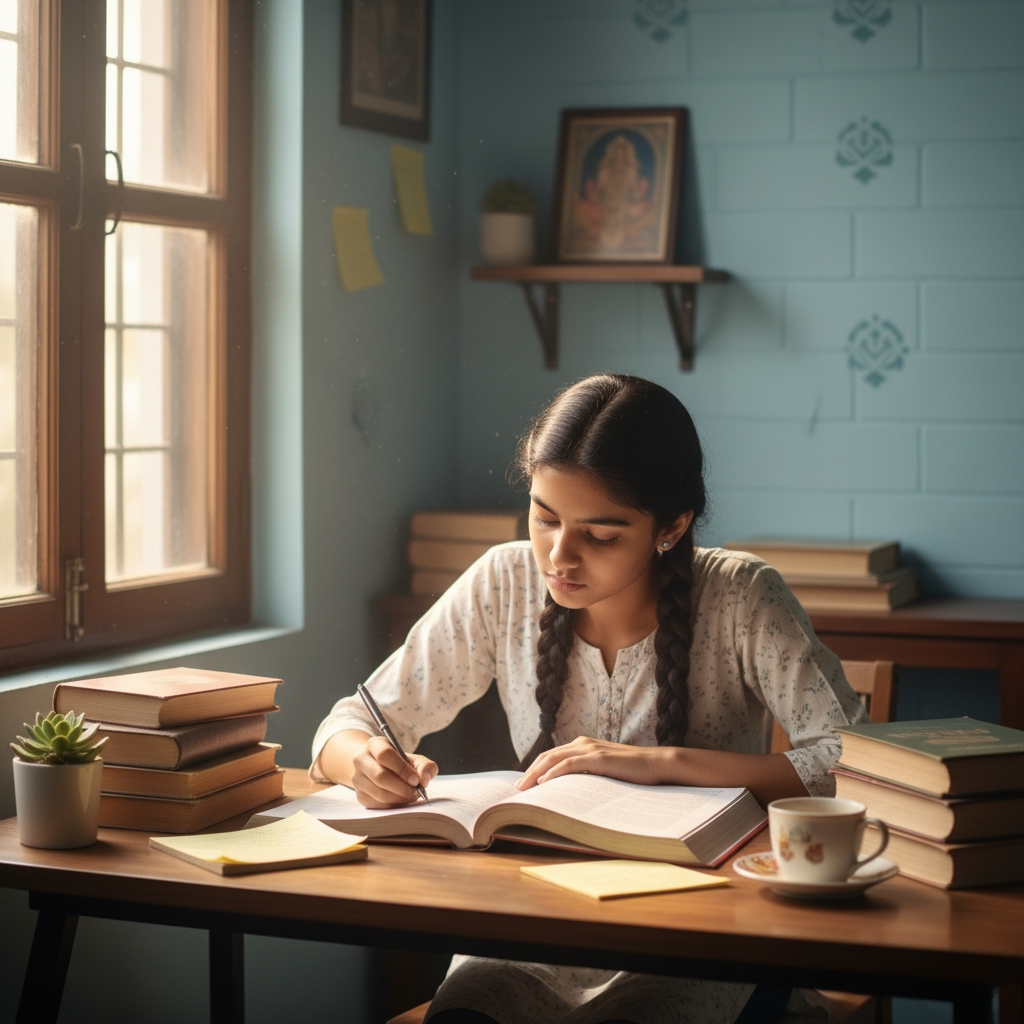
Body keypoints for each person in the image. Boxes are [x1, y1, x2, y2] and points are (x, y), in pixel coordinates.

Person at [311, 374, 868, 1024]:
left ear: (672, 525)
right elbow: (344, 724)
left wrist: (660, 764)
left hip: (704, 924)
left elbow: (854, 761)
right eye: (544, 517)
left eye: (601, 536)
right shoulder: (505, 581)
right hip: (534, 914)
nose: (559, 556)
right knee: (465, 1012)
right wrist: (365, 763)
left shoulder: (741, 597)